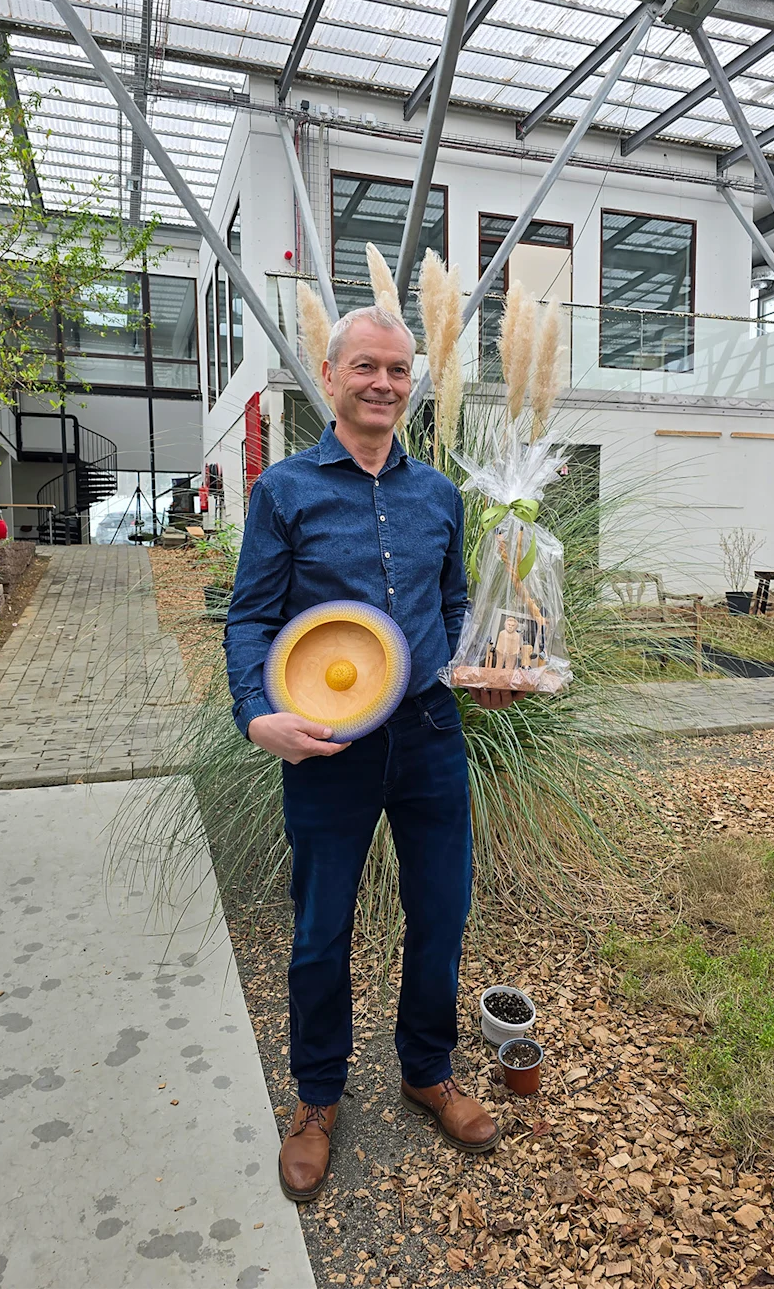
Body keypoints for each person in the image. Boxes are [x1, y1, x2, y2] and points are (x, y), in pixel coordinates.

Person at [224, 305, 522, 1203]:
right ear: (331, 373)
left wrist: (489, 666)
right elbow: (249, 618)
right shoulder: (285, 491)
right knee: (320, 928)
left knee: (442, 912)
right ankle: (317, 1098)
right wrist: (254, 716)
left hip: (430, 733)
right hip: (326, 744)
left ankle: (426, 1069)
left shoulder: (438, 495)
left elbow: (459, 602)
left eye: (398, 370)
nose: (384, 383)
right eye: (367, 368)